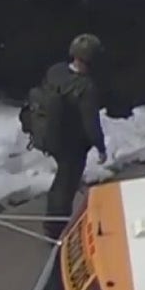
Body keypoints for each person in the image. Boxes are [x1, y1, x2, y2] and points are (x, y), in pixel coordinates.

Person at [21, 33, 109, 240]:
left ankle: (55, 222)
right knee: (65, 184)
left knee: (63, 178)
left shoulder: (57, 70)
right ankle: (56, 230)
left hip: (50, 136)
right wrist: (101, 147)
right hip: (71, 145)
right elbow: (90, 123)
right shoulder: (86, 88)